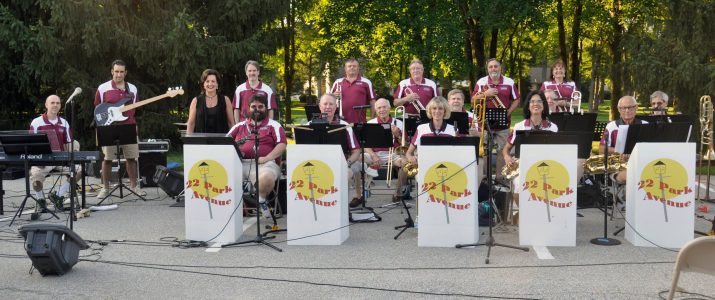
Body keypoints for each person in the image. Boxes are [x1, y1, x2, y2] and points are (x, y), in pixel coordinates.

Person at [228, 94, 286, 218]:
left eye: (260, 106)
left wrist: (267, 158)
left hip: (264, 164)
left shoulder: (274, 125)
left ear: (266, 108)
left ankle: (261, 200)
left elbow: (281, 145)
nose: (256, 109)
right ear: (248, 108)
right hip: (239, 163)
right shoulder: (239, 126)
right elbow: (225, 143)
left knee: (267, 177)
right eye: (253, 106)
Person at [94, 59, 143, 199]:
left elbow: (135, 107)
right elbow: (97, 107)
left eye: (122, 72)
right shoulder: (103, 88)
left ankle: (134, 187)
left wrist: (134, 125)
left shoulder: (132, 89)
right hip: (109, 127)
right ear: (112, 71)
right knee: (108, 159)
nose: (119, 74)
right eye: (116, 71)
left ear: (125, 73)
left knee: (131, 158)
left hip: (128, 126)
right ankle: (105, 188)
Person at [309, 94, 364, 207]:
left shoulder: (345, 126)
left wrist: (346, 163)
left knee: (345, 173)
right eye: (325, 104)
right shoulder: (308, 125)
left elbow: (356, 151)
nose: (328, 107)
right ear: (320, 106)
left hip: (341, 163)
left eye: (331, 104)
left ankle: (341, 208)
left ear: (336, 107)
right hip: (316, 164)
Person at [472, 58, 520, 180]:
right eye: (491, 67)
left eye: (496, 66)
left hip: (503, 122)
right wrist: (485, 94)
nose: (493, 68)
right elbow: (473, 100)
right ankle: (485, 179)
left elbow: (517, 99)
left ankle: (499, 178)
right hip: (484, 122)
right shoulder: (481, 82)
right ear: (487, 69)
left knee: (501, 151)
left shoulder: (509, 82)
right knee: (485, 152)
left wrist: (509, 112)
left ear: (500, 68)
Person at [29, 95, 81, 204]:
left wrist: (74, 154)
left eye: (57, 103)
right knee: (36, 179)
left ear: (60, 106)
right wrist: (38, 159)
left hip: (61, 160)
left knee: (79, 170)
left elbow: (69, 143)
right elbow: (31, 144)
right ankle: (41, 200)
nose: (55, 105)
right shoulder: (36, 122)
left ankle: (58, 195)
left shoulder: (64, 123)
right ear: (46, 105)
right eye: (52, 103)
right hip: (43, 160)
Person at [502, 91, 559, 168]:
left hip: (547, 166)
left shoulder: (553, 127)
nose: (536, 104)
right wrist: (507, 157)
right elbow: (506, 148)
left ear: (544, 106)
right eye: (532, 101)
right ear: (528, 106)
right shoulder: (519, 127)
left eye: (539, 101)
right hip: (523, 166)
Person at [599, 96, 648, 184]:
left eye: (630, 107)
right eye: (623, 108)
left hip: (642, 164)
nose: (627, 110)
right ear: (619, 109)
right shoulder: (611, 126)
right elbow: (601, 149)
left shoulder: (645, 125)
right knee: (632, 175)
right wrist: (619, 152)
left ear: (636, 107)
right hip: (618, 168)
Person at [365, 98, 405, 203]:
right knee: (358, 160)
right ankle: (362, 192)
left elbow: (405, 145)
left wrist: (397, 135)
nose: (382, 110)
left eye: (384, 107)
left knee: (406, 164)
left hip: (393, 154)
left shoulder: (399, 123)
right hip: (374, 154)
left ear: (389, 108)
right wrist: (373, 155)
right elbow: (364, 144)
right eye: (379, 108)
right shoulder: (370, 123)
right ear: (375, 109)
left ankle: (398, 192)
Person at [405, 96, 457, 165]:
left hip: (445, 166)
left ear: (445, 111)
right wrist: (410, 157)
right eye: (434, 108)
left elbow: (456, 153)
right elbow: (408, 153)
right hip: (425, 166)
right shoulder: (421, 128)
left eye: (440, 108)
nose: (437, 111)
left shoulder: (453, 129)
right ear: (430, 110)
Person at [186, 69, 235, 134]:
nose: (210, 84)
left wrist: (234, 140)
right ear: (203, 84)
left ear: (217, 84)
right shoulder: (195, 101)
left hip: (222, 142)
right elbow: (191, 124)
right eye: (207, 81)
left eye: (213, 81)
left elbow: (231, 123)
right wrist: (189, 142)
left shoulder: (225, 100)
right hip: (200, 142)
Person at [330, 59, 376, 124]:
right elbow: (328, 99)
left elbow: (373, 101)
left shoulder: (366, 82)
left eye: (354, 66)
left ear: (358, 68)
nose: (352, 67)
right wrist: (333, 96)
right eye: (349, 66)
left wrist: (372, 119)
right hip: (339, 121)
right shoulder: (338, 82)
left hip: (360, 122)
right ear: (345, 69)